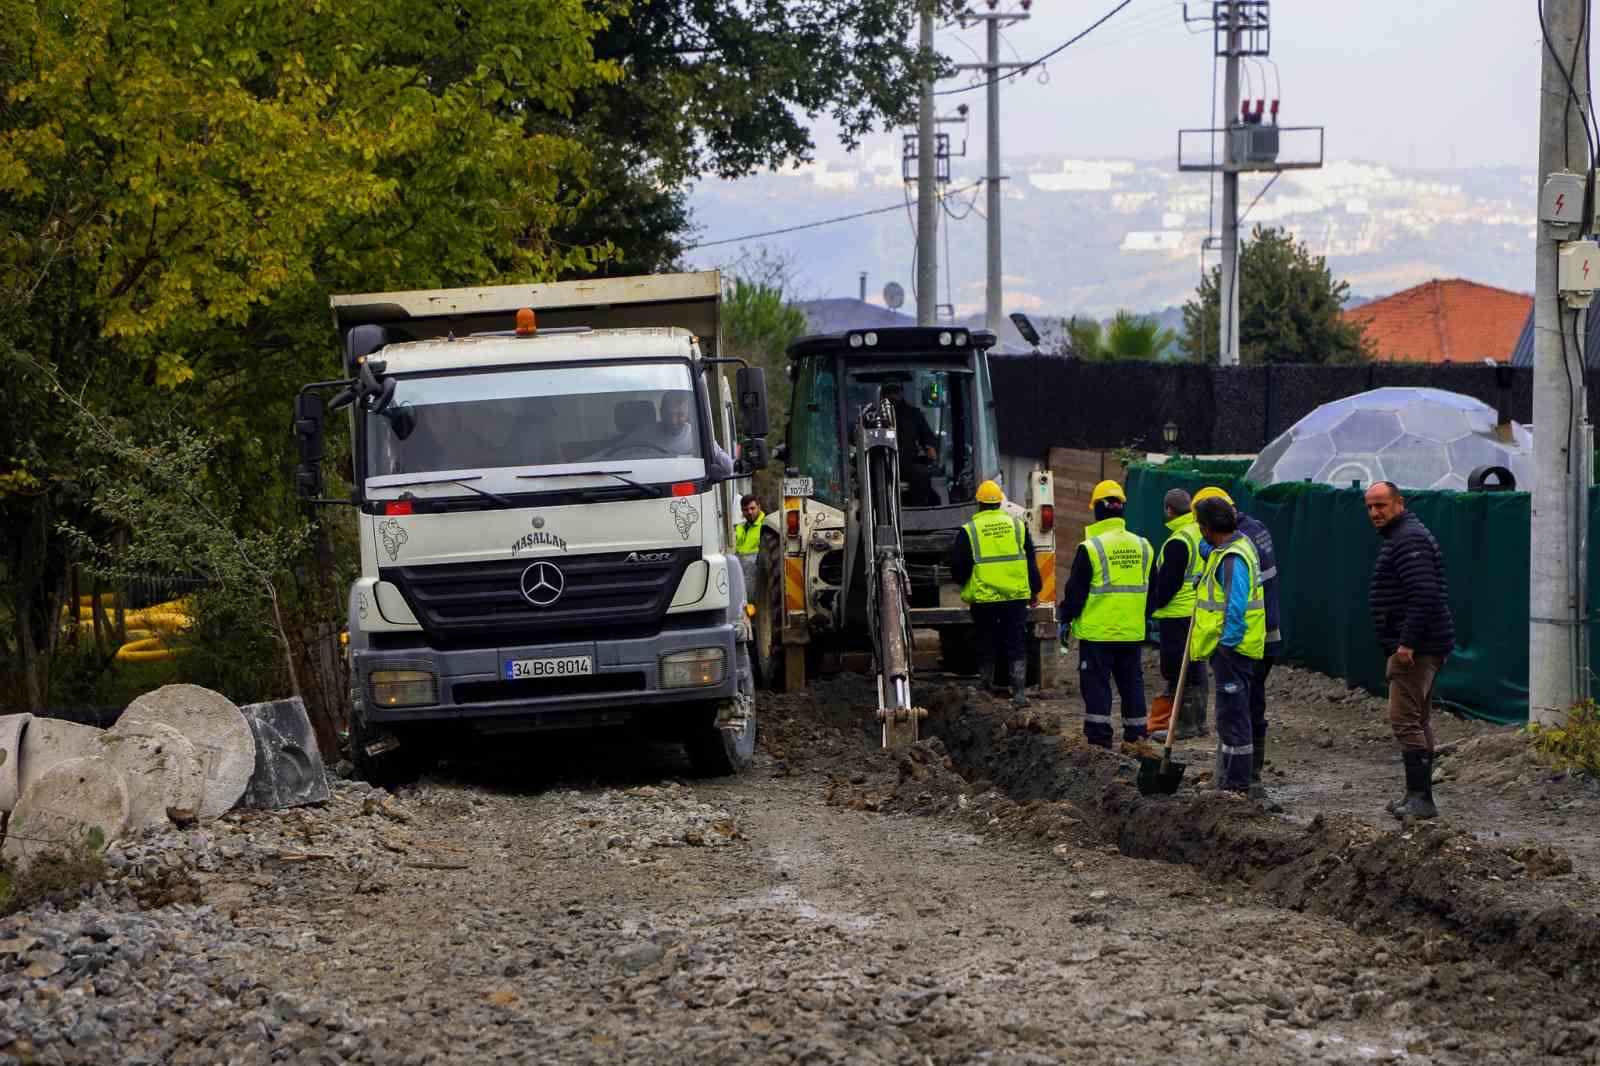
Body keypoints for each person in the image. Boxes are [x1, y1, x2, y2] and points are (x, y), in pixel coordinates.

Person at [1365, 480, 1453, 820]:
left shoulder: (1409, 539)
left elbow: (1425, 594)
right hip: (1423, 644)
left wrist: (1407, 643)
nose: (1374, 512)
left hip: (1417, 650)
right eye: (1370, 507)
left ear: (1399, 504)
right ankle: (1416, 796)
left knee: (1404, 719)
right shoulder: (1404, 537)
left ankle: (1421, 799)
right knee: (1418, 718)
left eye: (1381, 505)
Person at [1058, 480, 1152, 748]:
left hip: (1098, 635)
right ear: (1122, 508)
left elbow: (1076, 592)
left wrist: (1066, 617)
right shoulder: (1144, 546)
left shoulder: (1091, 548)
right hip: (1131, 633)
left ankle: (1099, 745)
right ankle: (1137, 740)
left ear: (1097, 510)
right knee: (1132, 686)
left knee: (1097, 688)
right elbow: (1151, 591)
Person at [1190, 496, 1266, 795]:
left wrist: (1227, 644)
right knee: (1228, 716)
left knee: (1233, 718)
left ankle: (1236, 785)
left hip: (1233, 650)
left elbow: (1235, 609)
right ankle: (1229, 780)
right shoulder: (1237, 544)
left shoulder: (1233, 559)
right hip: (1232, 650)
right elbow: (1211, 549)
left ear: (1207, 527)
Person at [948, 479, 1043, 708]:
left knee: (985, 641)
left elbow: (959, 567)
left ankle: (985, 688)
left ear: (979, 503)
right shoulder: (1017, 526)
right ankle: (1019, 693)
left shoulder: (969, 530)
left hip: (984, 598)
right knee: (1016, 642)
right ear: (1000, 502)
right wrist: (1034, 590)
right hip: (1015, 597)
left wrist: (965, 585)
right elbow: (1030, 560)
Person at [1147, 488, 1208, 742]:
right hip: (1198, 610)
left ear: (1169, 510)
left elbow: (1168, 584)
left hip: (1177, 613)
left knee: (1176, 668)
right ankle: (1199, 722)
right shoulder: (1199, 532)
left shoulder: (1178, 540)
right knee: (1196, 666)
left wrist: (1151, 607)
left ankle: (1183, 725)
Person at [879, 382, 939, 506]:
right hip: (880, 465)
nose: (892, 395)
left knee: (922, 474)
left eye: (895, 391)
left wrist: (930, 447)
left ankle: (920, 511)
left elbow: (927, 437)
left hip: (907, 464)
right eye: (888, 392)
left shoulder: (913, 414)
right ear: (882, 395)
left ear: (901, 392)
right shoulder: (875, 416)